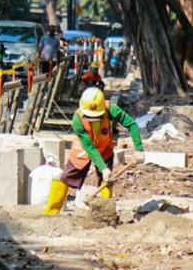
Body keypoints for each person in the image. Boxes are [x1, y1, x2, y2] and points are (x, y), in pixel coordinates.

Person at [44, 87, 144, 215]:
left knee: (106, 180)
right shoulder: (77, 119)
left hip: (105, 147)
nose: (92, 119)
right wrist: (103, 167)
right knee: (65, 177)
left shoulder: (111, 109)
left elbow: (131, 124)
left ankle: (105, 214)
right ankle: (51, 213)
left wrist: (139, 149)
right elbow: (90, 147)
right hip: (84, 149)